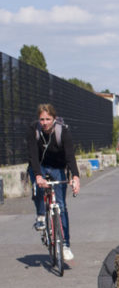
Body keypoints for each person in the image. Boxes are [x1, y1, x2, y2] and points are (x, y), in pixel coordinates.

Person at [26, 103, 81, 261]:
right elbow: (32, 156)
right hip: (39, 166)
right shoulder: (33, 131)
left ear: (54, 119)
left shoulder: (63, 132)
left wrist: (75, 177)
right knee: (38, 187)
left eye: (48, 119)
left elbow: (70, 156)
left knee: (62, 207)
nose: (44, 122)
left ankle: (65, 245)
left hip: (57, 167)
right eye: (41, 119)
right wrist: (37, 176)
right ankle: (41, 215)